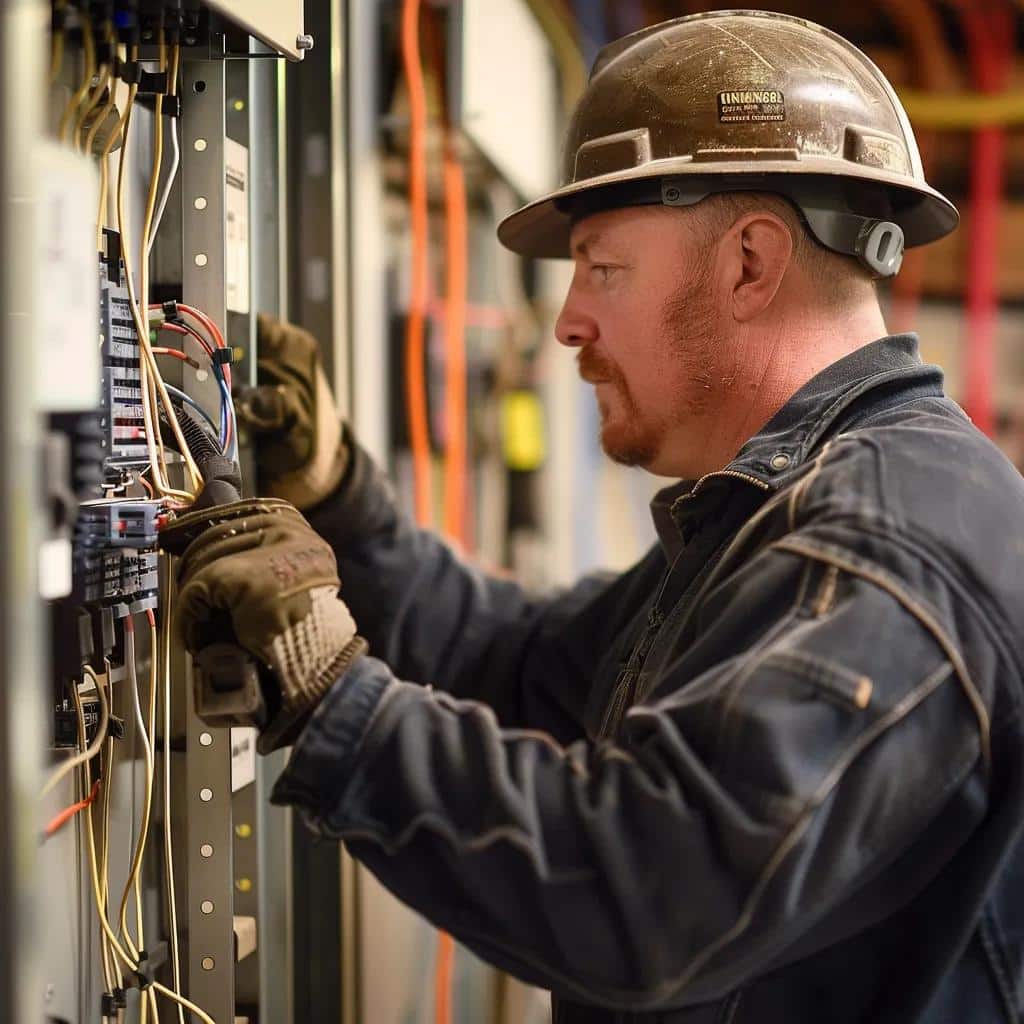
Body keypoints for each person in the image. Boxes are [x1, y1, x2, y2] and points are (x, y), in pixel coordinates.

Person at [171, 12, 1024, 1023]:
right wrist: (339, 496)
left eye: (602, 266)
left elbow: (648, 893)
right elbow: (526, 665)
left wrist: (328, 693)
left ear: (748, 263)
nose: (570, 317)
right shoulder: (783, 513)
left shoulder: (885, 549)